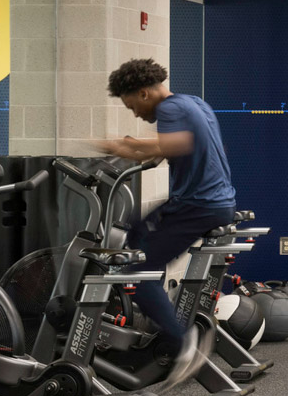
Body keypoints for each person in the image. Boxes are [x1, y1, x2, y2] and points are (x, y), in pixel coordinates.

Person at [93, 59, 237, 361]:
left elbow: (177, 144)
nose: (134, 113)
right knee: (136, 230)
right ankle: (160, 312)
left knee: (138, 276)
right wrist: (139, 148)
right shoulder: (195, 103)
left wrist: (122, 146)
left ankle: (185, 346)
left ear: (144, 93)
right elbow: (187, 146)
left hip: (198, 206)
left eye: (131, 106)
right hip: (218, 202)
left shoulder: (169, 110)